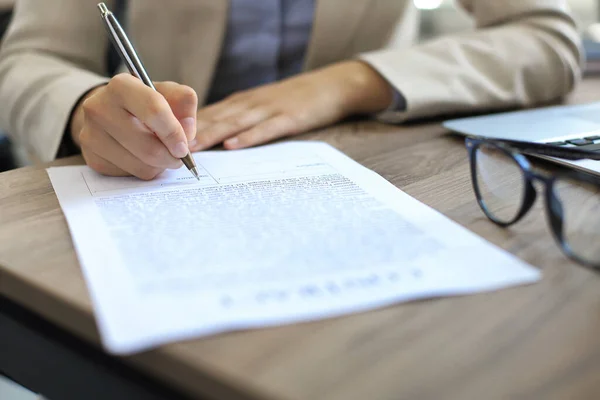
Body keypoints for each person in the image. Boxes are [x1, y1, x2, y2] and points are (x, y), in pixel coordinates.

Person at [0, 0, 582, 180]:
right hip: (144, 179)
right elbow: (30, 57)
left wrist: (349, 84)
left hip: (364, 169)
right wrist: (83, 112)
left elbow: (547, 37)